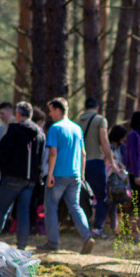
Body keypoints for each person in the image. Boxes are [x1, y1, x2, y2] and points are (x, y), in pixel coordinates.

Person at [0, 102, 47, 250]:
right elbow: (41, 157)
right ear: (31, 115)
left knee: (1, 209)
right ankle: (21, 246)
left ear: (19, 114)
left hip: (12, 177)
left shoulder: (14, 129)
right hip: (30, 180)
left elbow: (5, 150)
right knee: (24, 212)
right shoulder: (40, 133)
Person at [40, 97, 95, 254]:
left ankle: (53, 242)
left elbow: (52, 152)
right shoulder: (77, 128)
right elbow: (83, 153)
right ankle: (87, 236)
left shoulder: (55, 128)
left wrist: (49, 174)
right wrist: (82, 174)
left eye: (50, 110)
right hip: (75, 175)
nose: (49, 114)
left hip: (58, 175)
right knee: (75, 206)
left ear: (58, 110)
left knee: (51, 207)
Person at [76, 97, 116, 238]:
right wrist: (112, 161)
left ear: (85, 108)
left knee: (82, 196)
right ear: (97, 108)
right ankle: (98, 228)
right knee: (101, 196)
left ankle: (83, 227)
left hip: (80, 163)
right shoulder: (100, 120)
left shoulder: (78, 121)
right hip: (96, 162)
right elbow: (104, 141)